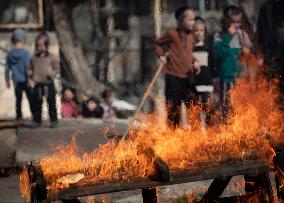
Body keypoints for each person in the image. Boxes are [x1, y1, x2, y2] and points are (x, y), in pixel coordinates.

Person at [154, 6, 201, 128]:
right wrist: (161, 55)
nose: (192, 23)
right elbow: (158, 44)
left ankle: (194, 137)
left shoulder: (192, 37)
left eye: (193, 20)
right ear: (181, 20)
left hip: (187, 77)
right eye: (189, 20)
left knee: (193, 106)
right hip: (173, 77)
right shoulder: (172, 34)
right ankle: (172, 136)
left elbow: (187, 54)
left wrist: (195, 61)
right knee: (174, 109)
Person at [214, 5, 251, 120]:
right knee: (227, 105)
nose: (236, 25)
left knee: (240, 105)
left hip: (240, 77)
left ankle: (239, 131)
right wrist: (228, 37)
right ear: (225, 21)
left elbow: (247, 56)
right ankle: (227, 129)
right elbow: (219, 54)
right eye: (233, 22)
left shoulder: (242, 35)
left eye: (238, 22)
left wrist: (246, 52)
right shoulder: (219, 36)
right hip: (227, 77)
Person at [27, 32, 59, 128]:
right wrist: (30, 76)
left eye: (42, 45)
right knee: (37, 103)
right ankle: (37, 121)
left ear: (47, 45)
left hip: (49, 84)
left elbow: (56, 69)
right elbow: (29, 68)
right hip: (38, 84)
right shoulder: (34, 58)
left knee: (51, 103)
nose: (40, 47)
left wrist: (52, 74)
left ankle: (53, 121)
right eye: (38, 45)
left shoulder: (52, 57)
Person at [5, 29, 34, 121]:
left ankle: (19, 117)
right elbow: (28, 67)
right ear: (23, 40)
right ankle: (34, 115)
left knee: (18, 100)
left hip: (16, 80)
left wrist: (7, 80)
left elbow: (7, 68)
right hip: (26, 80)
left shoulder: (10, 54)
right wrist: (30, 78)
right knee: (30, 98)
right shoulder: (26, 53)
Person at [193, 17, 214, 128]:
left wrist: (213, 79)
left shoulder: (208, 46)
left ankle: (209, 129)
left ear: (204, 31)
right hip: (195, 83)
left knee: (207, 107)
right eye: (196, 30)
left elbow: (212, 63)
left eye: (201, 30)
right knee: (195, 108)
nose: (199, 33)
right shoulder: (191, 48)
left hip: (206, 82)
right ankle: (197, 132)